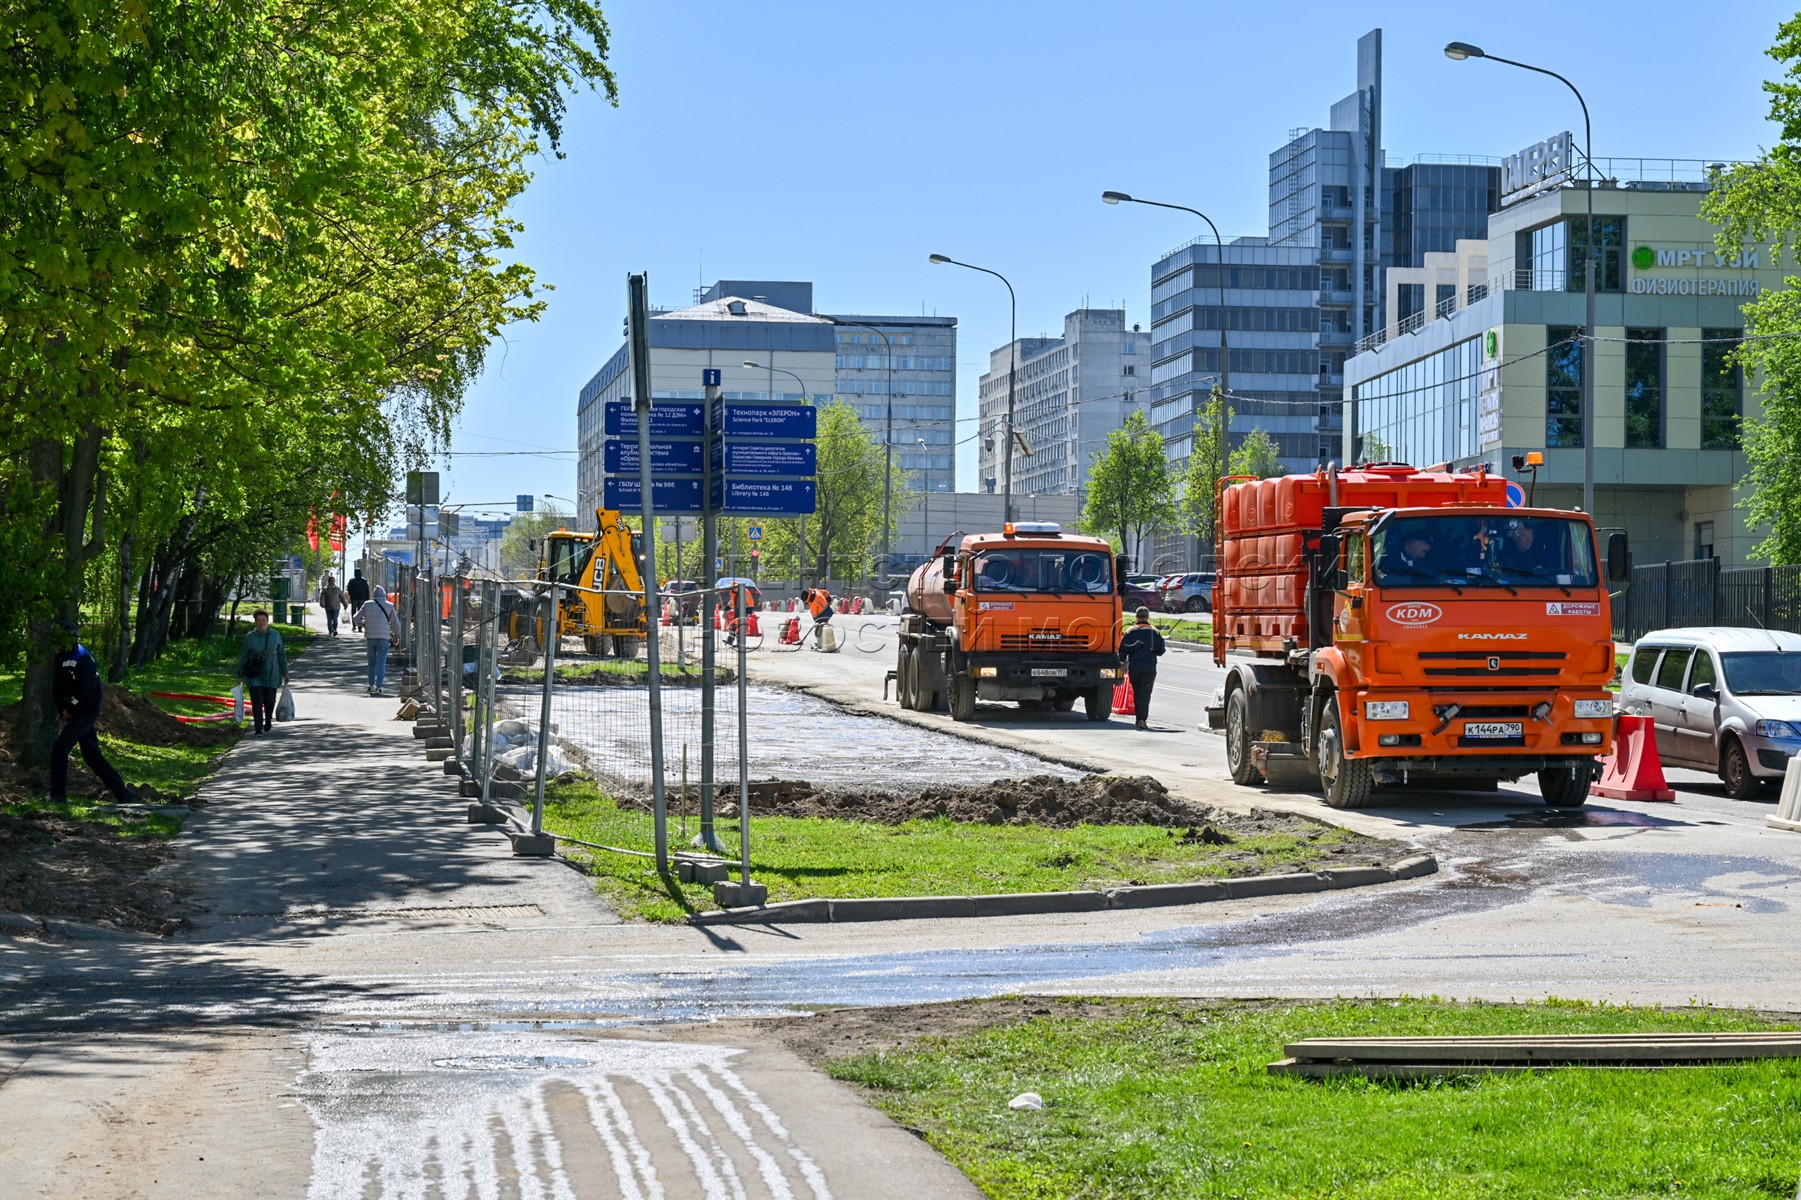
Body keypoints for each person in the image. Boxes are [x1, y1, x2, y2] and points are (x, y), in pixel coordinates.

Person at [48, 618, 138, 804]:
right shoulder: (61, 656)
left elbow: (85, 689)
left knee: (59, 748)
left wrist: (70, 710)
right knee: (92, 756)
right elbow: (58, 687)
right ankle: (123, 793)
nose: (55, 643)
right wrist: (63, 710)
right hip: (75, 711)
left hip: (86, 711)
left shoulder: (83, 658)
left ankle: (58, 796)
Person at [237, 608, 290, 734]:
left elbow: (281, 654)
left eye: (264, 620)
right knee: (257, 701)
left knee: (270, 701)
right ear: (255, 622)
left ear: (268, 621)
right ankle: (258, 728)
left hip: (272, 673)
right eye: (259, 620)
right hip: (254, 674)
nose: (261, 623)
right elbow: (244, 656)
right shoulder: (249, 637)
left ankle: (268, 720)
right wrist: (240, 674)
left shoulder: (275, 635)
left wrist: (285, 672)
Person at [1116, 606, 1166, 731]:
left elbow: (1122, 651)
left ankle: (1140, 719)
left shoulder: (1131, 631)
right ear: (1148, 617)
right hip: (1150, 667)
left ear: (1136, 617)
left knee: (1137, 693)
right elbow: (1161, 651)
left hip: (1135, 667)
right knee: (1145, 694)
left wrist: (1123, 661)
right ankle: (1142, 719)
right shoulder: (1154, 632)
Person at [357, 585, 399, 696]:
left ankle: (371, 685)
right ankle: (379, 687)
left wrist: (362, 624)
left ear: (374, 595)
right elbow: (396, 624)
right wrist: (396, 636)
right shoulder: (389, 606)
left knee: (371, 662)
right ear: (384, 595)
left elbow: (356, 618)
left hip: (370, 637)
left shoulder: (367, 605)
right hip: (384, 638)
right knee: (381, 662)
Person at [346, 568, 371, 633]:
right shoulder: (364, 581)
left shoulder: (352, 580)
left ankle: (354, 625)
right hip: (362, 598)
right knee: (361, 613)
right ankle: (360, 627)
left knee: (353, 612)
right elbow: (367, 590)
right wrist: (367, 598)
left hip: (354, 598)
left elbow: (349, 589)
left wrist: (351, 595)